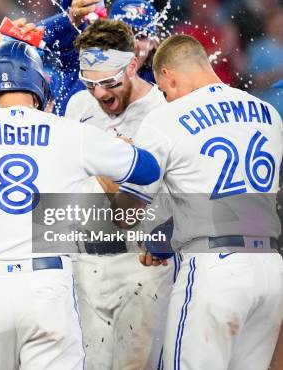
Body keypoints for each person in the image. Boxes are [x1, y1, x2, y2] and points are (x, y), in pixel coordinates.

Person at [0, 40, 161, 369]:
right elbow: (148, 168)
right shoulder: (69, 132)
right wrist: (120, 147)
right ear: (38, 84)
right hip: (48, 286)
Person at [107, 35, 282, 369]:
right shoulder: (267, 112)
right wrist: (164, 240)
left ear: (169, 76)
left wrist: (115, 167)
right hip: (270, 271)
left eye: (165, 90)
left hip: (213, 269)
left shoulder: (165, 119)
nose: (167, 97)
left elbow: (128, 213)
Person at [65, 19, 174, 370]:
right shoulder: (78, 106)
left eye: (110, 83)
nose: (100, 95)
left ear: (132, 65)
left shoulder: (164, 111)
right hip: (85, 261)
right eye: (90, 84)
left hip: (141, 265)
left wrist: (105, 165)